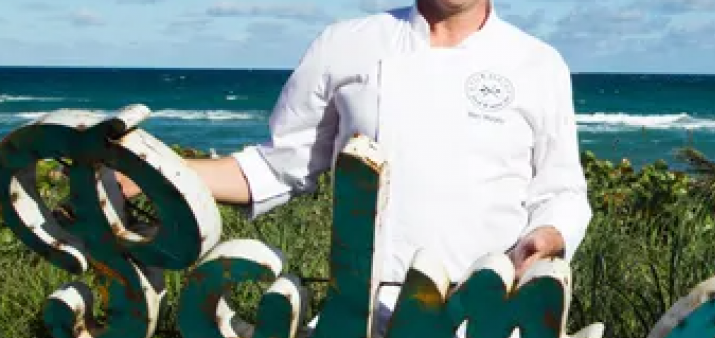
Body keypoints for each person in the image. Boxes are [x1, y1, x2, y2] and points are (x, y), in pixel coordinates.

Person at [118, 0, 591, 335]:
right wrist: (155, 169)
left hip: (486, 315)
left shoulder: (538, 64)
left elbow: (563, 191)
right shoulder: (346, 44)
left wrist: (548, 236)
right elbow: (277, 166)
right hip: (364, 314)